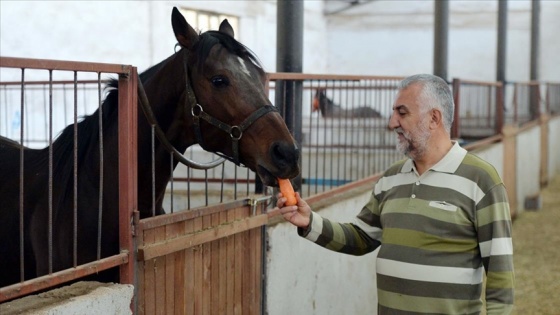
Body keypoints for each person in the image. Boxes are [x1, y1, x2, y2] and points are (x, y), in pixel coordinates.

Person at [276, 74, 514, 314]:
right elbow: (361, 238)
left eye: (402, 112)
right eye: (393, 112)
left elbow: (500, 272)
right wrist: (310, 221)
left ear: (434, 118)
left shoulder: (481, 179)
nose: (392, 122)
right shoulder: (390, 178)